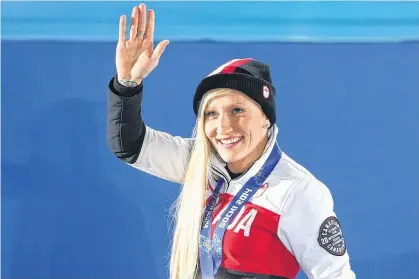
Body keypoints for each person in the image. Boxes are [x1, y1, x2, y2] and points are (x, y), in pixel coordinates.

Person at [106, 3, 356, 279]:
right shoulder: (199, 162)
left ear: (266, 118)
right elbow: (130, 145)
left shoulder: (297, 191)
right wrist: (127, 84)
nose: (223, 127)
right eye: (211, 114)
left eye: (237, 110)